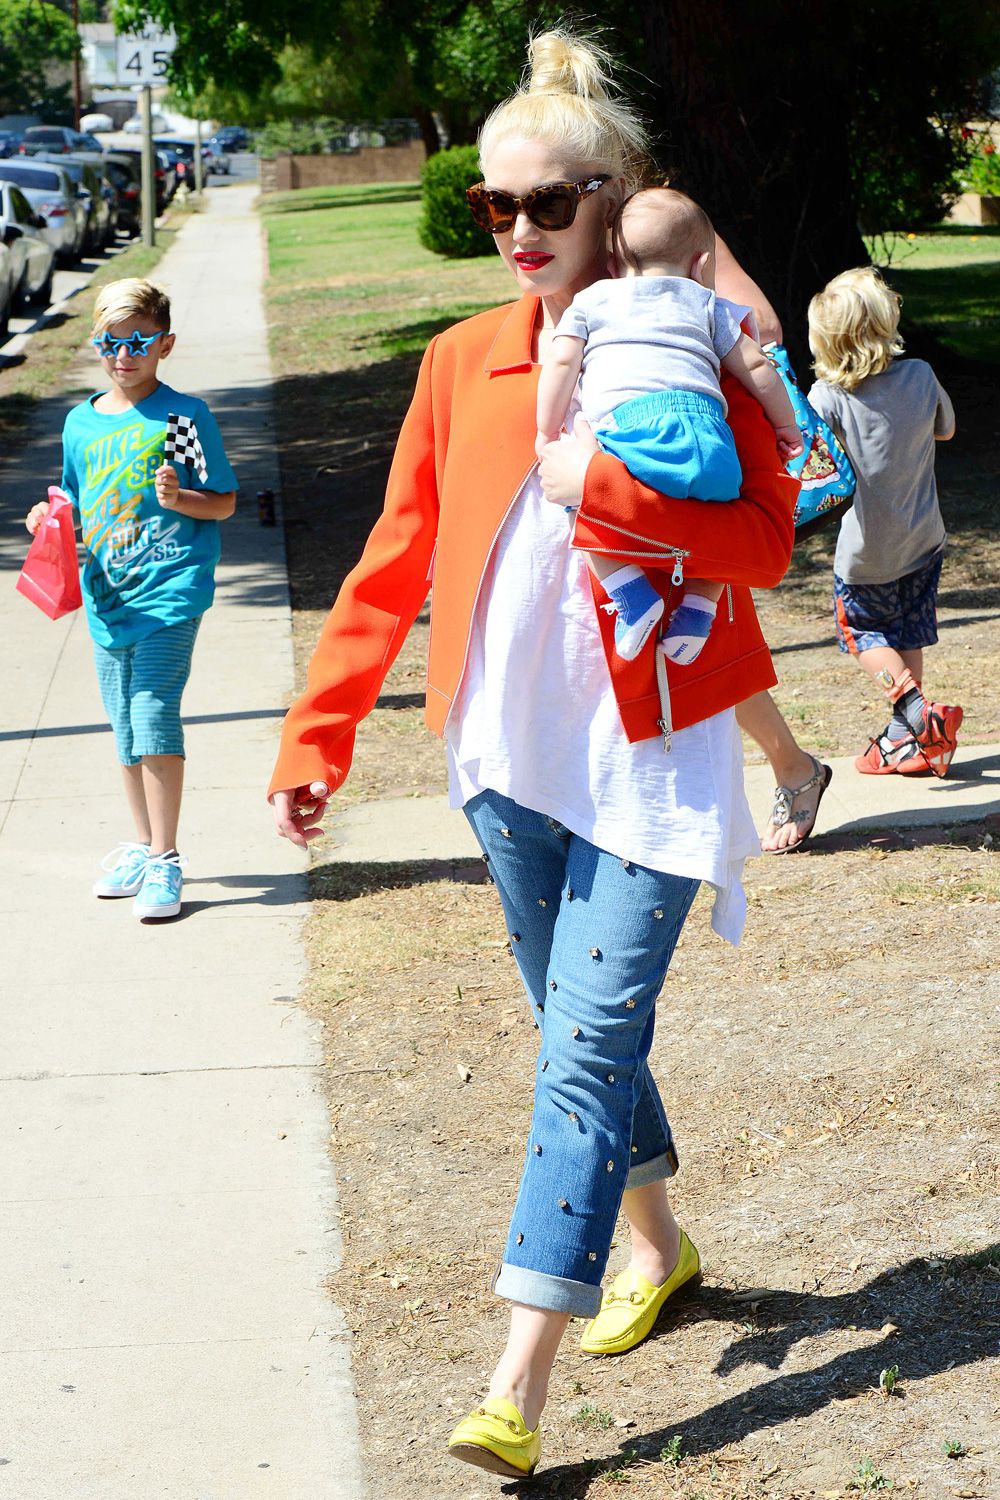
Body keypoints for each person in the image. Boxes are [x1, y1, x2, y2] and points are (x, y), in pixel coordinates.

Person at [269, 28, 797, 1479]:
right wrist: (319, 737)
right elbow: (394, 559)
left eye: (548, 205)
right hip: (507, 764)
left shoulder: (697, 348)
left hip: (658, 763)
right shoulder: (459, 364)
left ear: (618, 195)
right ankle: (660, 1249)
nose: (517, 233)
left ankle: (516, 1378)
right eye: (496, 209)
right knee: (585, 1040)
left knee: (579, 1055)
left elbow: (764, 537)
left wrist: (608, 476)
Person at [23, 277, 238, 918]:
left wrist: (181, 499)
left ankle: (168, 860)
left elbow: (222, 500)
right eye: (111, 342)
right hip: (107, 597)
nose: (125, 354)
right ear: (97, 344)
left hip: (170, 593)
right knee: (124, 730)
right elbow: (73, 507)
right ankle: (143, 846)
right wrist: (47, 520)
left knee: (151, 714)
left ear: (165, 344)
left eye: (140, 340)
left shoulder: (180, 418)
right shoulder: (81, 424)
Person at [535, 185, 801, 663]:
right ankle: (699, 607)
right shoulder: (708, 305)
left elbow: (561, 364)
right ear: (700, 264)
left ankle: (632, 596)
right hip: (710, 437)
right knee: (723, 514)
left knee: (581, 501)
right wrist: (787, 427)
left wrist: (545, 428)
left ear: (613, 265)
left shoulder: (594, 300)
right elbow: (758, 367)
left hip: (630, 433)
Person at [806, 267, 961, 777]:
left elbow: (814, 467)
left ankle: (920, 716)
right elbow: (947, 429)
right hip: (924, 540)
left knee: (866, 635)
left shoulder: (826, 399)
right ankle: (908, 740)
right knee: (907, 633)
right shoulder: (919, 375)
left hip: (866, 552)